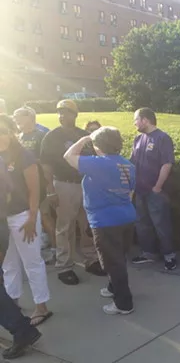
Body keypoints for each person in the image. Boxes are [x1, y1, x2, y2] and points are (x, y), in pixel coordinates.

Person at [63, 127, 136, 315]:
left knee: (113, 262)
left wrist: (82, 140)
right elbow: (130, 192)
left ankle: (123, 303)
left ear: (97, 145)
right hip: (126, 217)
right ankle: (114, 288)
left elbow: (68, 156)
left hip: (105, 221)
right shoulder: (128, 165)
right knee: (119, 258)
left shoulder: (97, 163)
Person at [40, 100, 104, 285]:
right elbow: (46, 165)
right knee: (65, 226)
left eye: (66, 112)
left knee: (88, 225)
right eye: (59, 113)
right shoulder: (52, 137)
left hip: (86, 184)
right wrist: (50, 190)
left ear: (75, 115)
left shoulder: (84, 135)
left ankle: (91, 259)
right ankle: (65, 265)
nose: (62, 116)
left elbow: (97, 159)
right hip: (64, 184)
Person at [0, 114, 52, 327]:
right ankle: (13, 301)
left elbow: (34, 189)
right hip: (3, 219)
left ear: (12, 132)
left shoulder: (23, 155)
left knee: (32, 262)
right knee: (9, 264)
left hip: (23, 216)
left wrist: (32, 217)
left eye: (3, 131)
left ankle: (42, 306)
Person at [130, 108, 176, 270]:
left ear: (145, 120)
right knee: (142, 223)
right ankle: (148, 253)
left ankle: (169, 255)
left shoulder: (162, 138)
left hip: (156, 192)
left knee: (161, 224)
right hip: (140, 190)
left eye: (136, 119)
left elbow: (167, 163)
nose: (134, 123)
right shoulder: (138, 139)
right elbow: (132, 164)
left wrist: (158, 186)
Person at [13, 107, 56, 263]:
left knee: (45, 215)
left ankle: (55, 249)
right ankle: (40, 244)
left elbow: (47, 161)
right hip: (23, 184)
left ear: (30, 117)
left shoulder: (41, 136)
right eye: (14, 116)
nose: (15, 119)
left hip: (40, 182)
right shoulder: (19, 136)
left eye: (19, 116)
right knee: (32, 215)